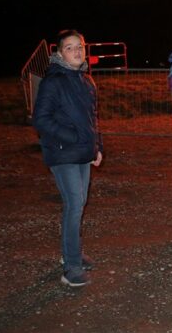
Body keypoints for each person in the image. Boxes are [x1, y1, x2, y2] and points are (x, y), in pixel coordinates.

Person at [33, 30, 103, 287]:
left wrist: (98, 147)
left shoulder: (86, 81)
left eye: (80, 46)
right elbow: (41, 119)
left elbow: (93, 119)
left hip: (84, 152)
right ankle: (71, 266)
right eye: (70, 47)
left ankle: (74, 253)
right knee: (74, 204)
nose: (77, 51)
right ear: (60, 53)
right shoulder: (54, 81)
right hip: (63, 153)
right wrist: (71, 137)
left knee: (80, 202)